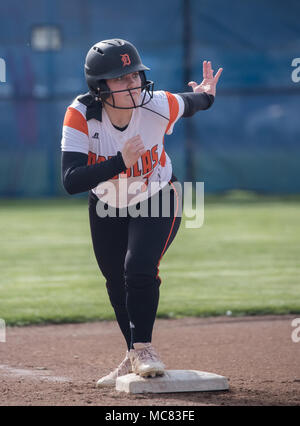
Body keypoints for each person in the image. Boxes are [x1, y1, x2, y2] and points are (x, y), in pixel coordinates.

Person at [61, 39, 222, 387]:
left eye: (134, 74)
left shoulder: (157, 105)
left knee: (138, 268)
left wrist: (207, 92)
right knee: (115, 281)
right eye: (121, 78)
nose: (133, 82)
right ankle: (133, 353)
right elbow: (71, 180)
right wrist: (121, 162)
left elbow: (194, 102)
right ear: (100, 87)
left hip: (158, 195)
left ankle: (145, 349)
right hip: (106, 203)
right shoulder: (80, 115)